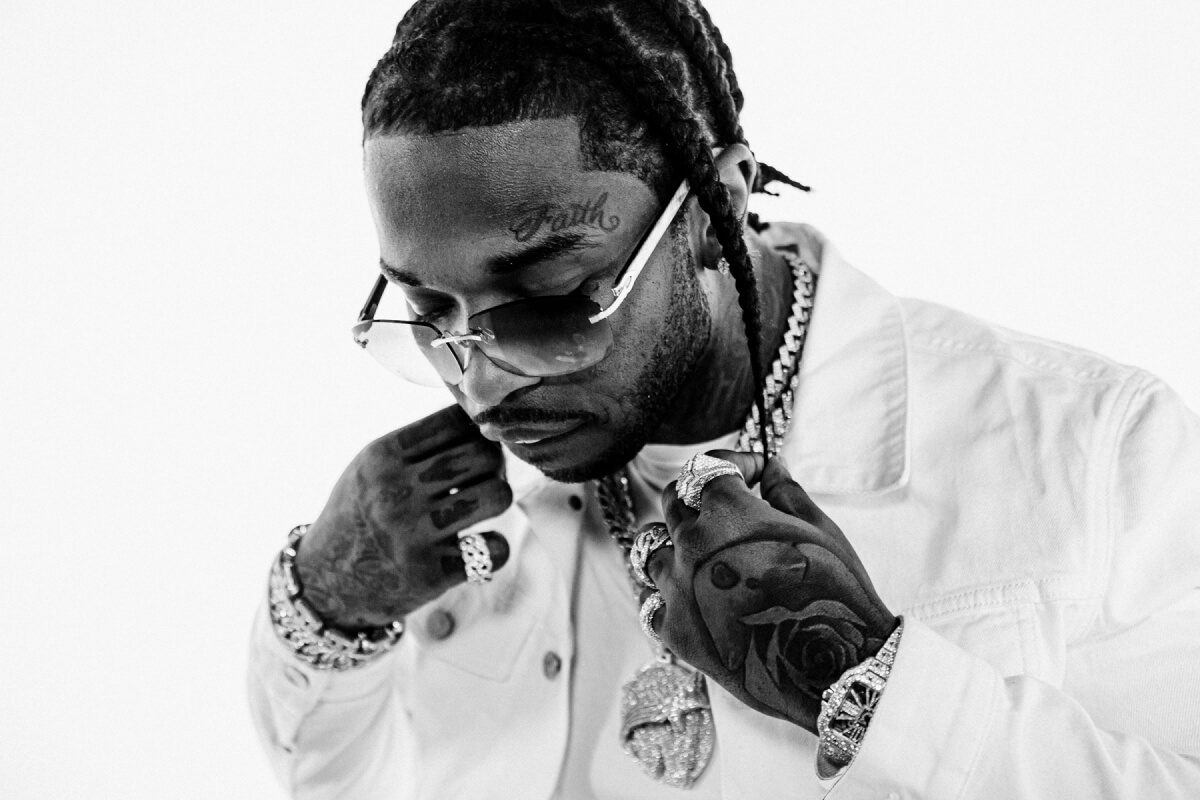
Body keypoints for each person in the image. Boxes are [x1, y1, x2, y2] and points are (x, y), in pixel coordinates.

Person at [247, 1, 1200, 797]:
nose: (482, 382)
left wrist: (875, 686)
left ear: (716, 208)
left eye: (548, 300)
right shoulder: (455, 513)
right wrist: (326, 608)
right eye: (427, 309)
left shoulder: (1095, 451)